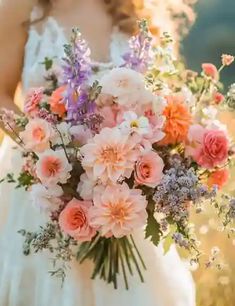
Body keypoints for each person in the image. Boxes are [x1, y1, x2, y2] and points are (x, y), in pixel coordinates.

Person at [0, 1, 197, 305]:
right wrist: (50, 147)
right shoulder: (22, 7)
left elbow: (159, 102)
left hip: (123, 195)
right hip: (43, 182)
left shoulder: (137, 11)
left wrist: (133, 161)